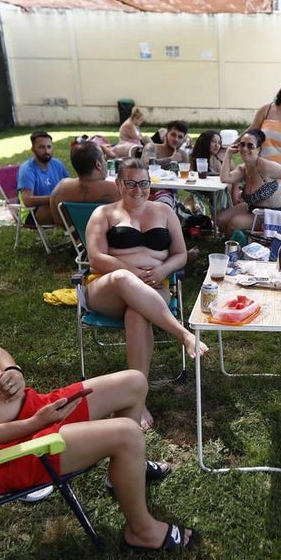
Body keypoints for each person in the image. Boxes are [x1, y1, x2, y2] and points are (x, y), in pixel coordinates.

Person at [0, 232, 200, 552]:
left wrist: (12, 370)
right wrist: (33, 425)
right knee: (128, 434)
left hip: (31, 410)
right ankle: (141, 531)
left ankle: (125, 474)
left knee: (133, 382)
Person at [86, 159, 209, 431]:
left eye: (143, 183)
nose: (137, 189)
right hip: (107, 287)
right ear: (118, 184)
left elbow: (180, 254)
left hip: (154, 289)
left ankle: (136, 397)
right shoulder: (103, 214)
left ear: (149, 185)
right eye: (129, 182)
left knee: (137, 313)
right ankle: (184, 335)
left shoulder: (164, 211)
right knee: (121, 278)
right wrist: (130, 271)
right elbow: (95, 258)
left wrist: (163, 268)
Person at [215, 129, 281, 235]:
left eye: (250, 145)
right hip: (251, 209)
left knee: (234, 223)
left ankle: (232, 247)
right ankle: (236, 240)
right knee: (219, 219)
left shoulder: (266, 167)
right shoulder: (243, 169)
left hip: (269, 213)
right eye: (242, 144)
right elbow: (225, 178)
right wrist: (228, 154)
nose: (244, 148)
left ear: (258, 149)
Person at [48, 138, 120, 224]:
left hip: (79, 235)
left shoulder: (60, 188)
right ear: (98, 164)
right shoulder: (117, 189)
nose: (105, 162)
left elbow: (59, 221)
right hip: (109, 235)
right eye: (104, 159)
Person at [17, 131, 70, 227]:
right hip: (32, 212)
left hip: (55, 204)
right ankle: (80, 239)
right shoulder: (27, 169)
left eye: (49, 147)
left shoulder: (57, 164)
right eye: (42, 147)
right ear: (33, 149)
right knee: (68, 213)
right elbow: (28, 201)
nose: (46, 151)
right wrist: (54, 199)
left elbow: (68, 185)